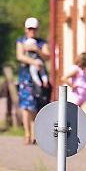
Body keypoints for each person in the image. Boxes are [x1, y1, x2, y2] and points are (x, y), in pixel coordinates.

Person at [16, 17, 51, 145]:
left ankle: (35, 133)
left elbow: (47, 57)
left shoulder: (42, 43)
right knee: (26, 105)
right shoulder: (21, 41)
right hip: (25, 77)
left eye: (34, 29)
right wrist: (33, 62)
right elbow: (20, 56)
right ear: (26, 29)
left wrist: (37, 50)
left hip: (39, 79)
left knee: (37, 104)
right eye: (30, 29)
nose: (32, 31)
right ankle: (27, 133)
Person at [63, 52, 86, 149]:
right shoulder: (76, 69)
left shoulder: (81, 70)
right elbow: (64, 77)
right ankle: (83, 140)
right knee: (76, 118)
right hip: (76, 97)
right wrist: (72, 86)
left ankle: (81, 140)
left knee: (77, 118)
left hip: (80, 97)